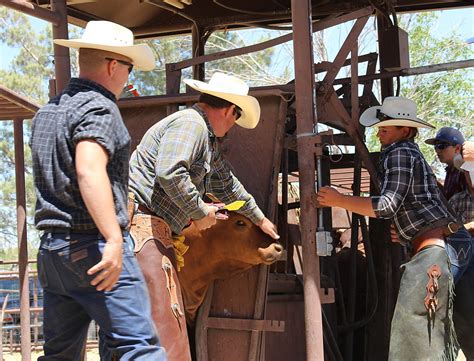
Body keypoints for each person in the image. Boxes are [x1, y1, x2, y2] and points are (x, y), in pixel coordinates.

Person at [30, 21, 166, 360]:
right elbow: (88, 168)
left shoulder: (48, 112)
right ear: (112, 65)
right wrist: (115, 239)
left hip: (53, 251)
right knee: (139, 348)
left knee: (60, 354)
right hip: (94, 247)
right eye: (129, 68)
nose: (128, 78)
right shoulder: (100, 107)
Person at [127, 72, 280, 360]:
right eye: (236, 117)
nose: (233, 125)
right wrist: (200, 212)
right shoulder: (191, 124)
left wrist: (258, 218)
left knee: (146, 334)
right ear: (228, 110)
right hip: (141, 232)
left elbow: (227, 185)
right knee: (163, 338)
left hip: (149, 232)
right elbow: (170, 172)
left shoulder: (207, 142)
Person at [316, 97, 458, 360]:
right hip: (436, 247)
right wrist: (407, 233)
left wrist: (338, 200)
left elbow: (385, 207)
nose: (380, 130)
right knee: (427, 334)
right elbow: (421, 203)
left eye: (387, 127)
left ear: (405, 130)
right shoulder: (409, 153)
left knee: (414, 336)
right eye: (381, 126)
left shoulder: (401, 152)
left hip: (431, 253)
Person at [425, 126, 466, 200]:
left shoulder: (465, 170)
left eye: (441, 146)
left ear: (457, 148)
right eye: (436, 147)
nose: (437, 150)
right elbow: (447, 198)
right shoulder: (451, 170)